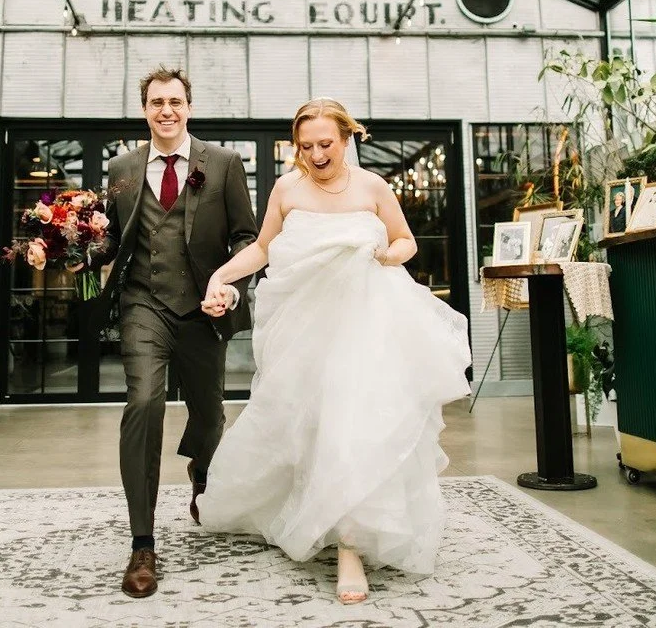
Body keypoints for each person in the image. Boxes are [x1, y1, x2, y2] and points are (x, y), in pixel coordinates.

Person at [195, 98, 471, 604]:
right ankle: (310, 510)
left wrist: (390, 255)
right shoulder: (286, 187)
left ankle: (349, 546)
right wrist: (221, 274)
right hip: (305, 330)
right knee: (312, 425)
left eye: (326, 144)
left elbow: (406, 241)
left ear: (347, 139)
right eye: (306, 147)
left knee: (356, 426)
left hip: (367, 324)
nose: (316, 155)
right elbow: (262, 248)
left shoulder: (372, 186)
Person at [87, 67, 259, 599]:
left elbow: (246, 236)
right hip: (143, 304)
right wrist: (77, 251)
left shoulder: (225, 164)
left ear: (189, 106)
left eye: (176, 101)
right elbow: (109, 239)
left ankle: (202, 467)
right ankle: (142, 542)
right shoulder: (121, 168)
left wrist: (228, 286)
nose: (167, 110)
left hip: (205, 309)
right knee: (142, 403)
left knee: (209, 414)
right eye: (157, 102)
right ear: (145, 109)